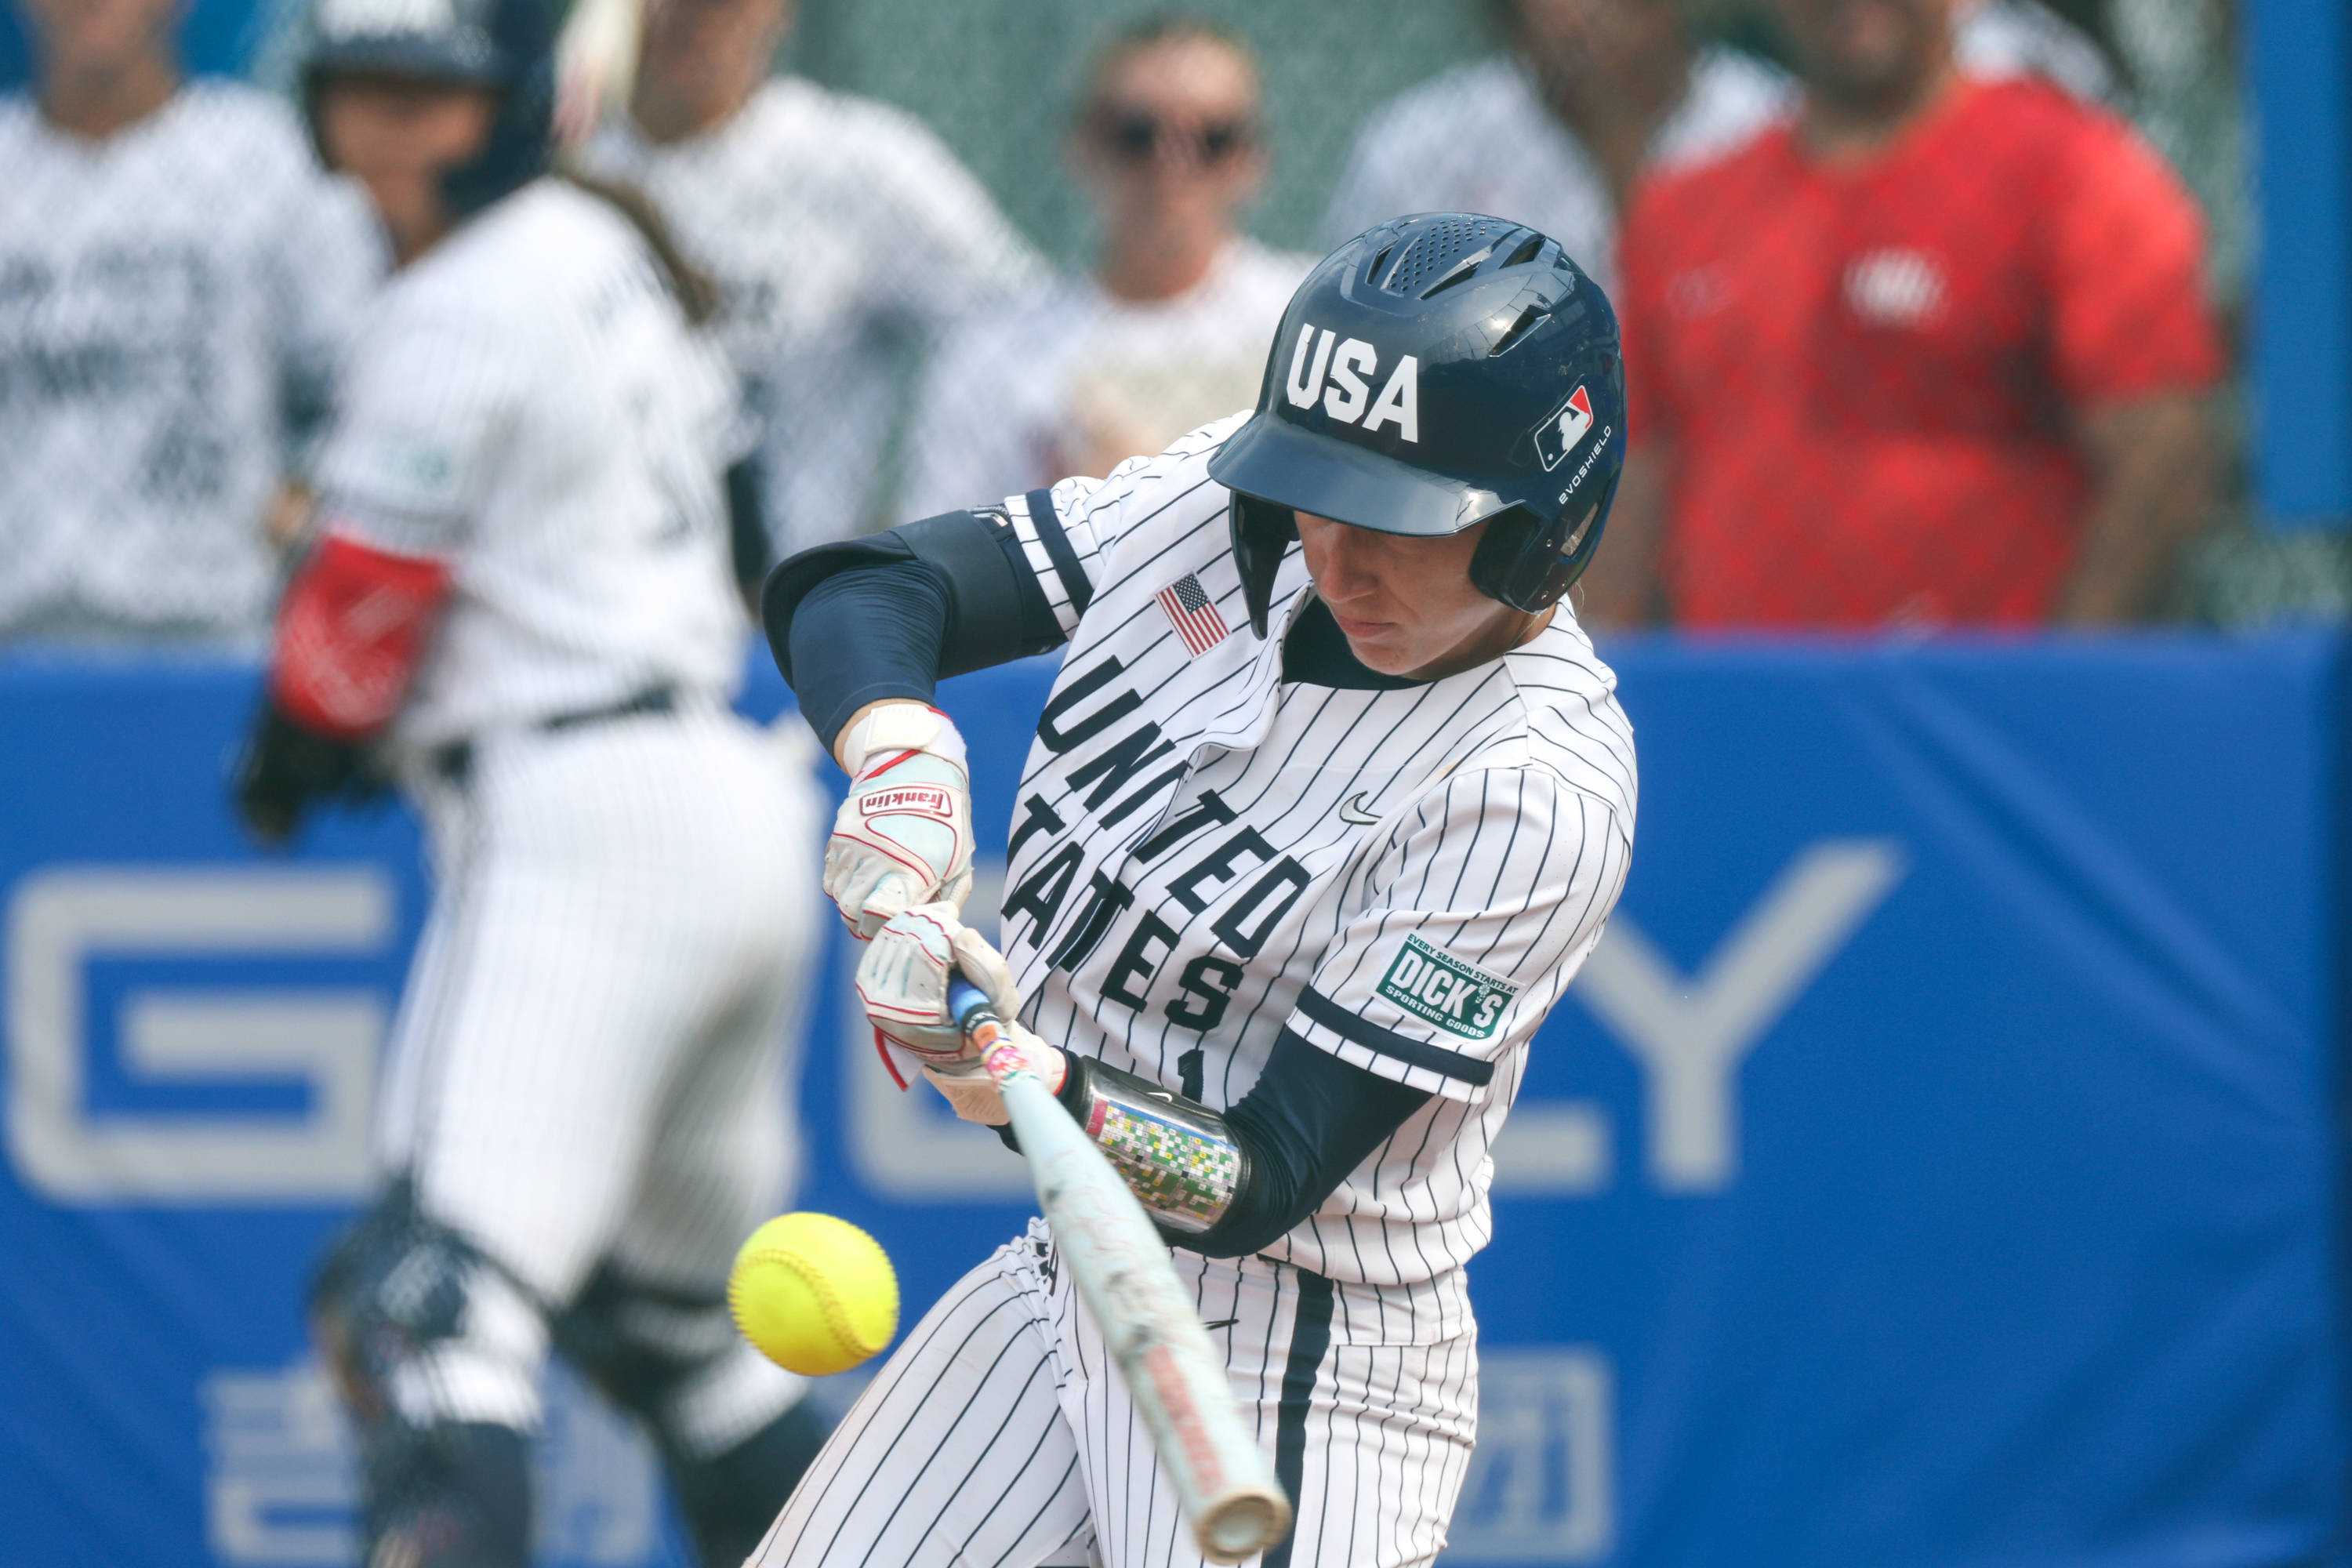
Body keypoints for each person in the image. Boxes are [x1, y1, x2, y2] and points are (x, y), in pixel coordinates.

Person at [753, 212, 1636, 1566]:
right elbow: (865, 588)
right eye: (1320, 493)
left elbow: (1264, 1173)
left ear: (1541, 526)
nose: (1338, 557)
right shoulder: (1227, 518)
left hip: (1296, 1363)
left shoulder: (1535, 786)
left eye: (1401, 522)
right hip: (1071, 1279)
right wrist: (902, 763)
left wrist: (1024, 1086)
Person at [229, 0, 826, 1562]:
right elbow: (757, 532)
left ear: (508, 105)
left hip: (582, 827)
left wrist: (289, 767)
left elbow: (351, 632)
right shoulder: (625, 250)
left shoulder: (465, 295)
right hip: (735, 803)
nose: (386, 137)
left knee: (431, 1313)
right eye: (362, 95)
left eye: (423, 97)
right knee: (685, 1340)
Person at [1584, 0, 2220, 630]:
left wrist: (2059, 678)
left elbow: (2162, 455)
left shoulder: (2070, 174)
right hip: (1740, 705)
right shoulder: (1683, 215)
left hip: (1969, 708)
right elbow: (1630, 484)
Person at [579, 0, 1037, 559]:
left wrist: (930, 518)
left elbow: (1021, 325)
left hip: (786, 586)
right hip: (595, 570)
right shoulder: (564, 168)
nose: (691, 17)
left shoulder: (852, 162)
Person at [0, 0, 379, 646]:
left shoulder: (269, 158)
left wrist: (307, 490)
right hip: (18, 635)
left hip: (218, 628)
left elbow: (362, 373)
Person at [897, 16, 1310, 519]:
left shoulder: (1310, 322)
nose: (1173, 164)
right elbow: (941, 556)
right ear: (1084, 144)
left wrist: (1125, 505)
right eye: (1139, 135)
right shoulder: (992, 352)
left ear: (1253, 159)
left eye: (1212, 139)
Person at [1323, 0, 1789, 296]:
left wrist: (1619, 149)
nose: (1586, 14)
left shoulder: (1766, 123)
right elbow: (1348, 320)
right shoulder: (1419, 142)